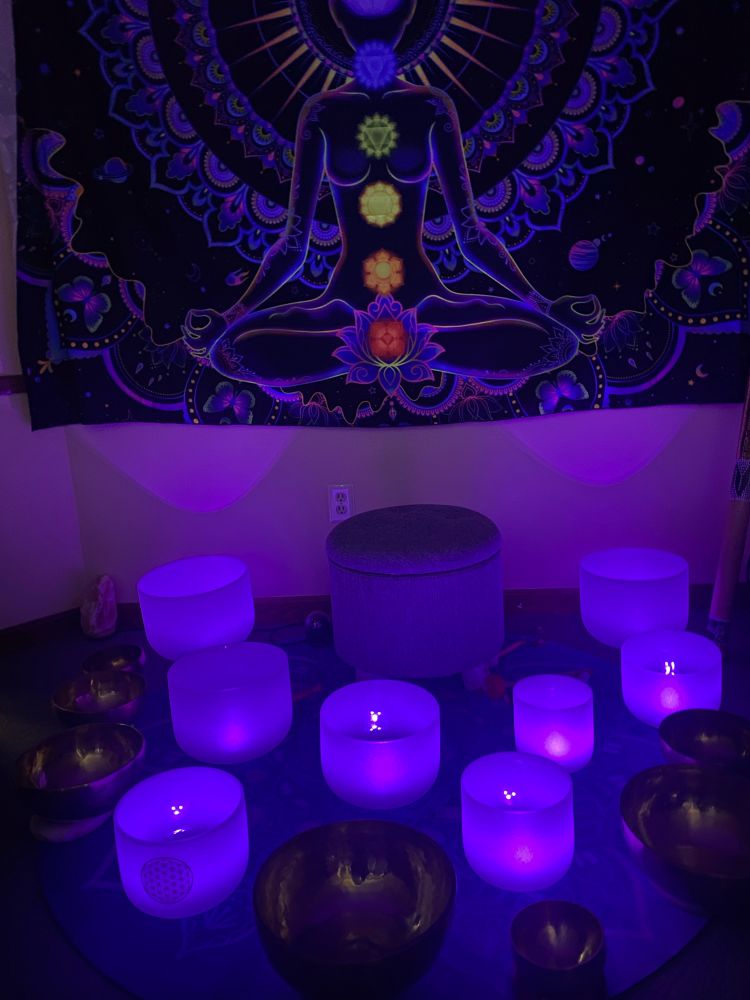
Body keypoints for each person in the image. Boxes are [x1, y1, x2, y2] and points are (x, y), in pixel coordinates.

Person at [183, 0, 602, 388]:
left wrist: (545, 304)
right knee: (231, 350)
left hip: (426, 301)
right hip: (344, 305)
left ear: (410, 13)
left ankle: (376, 345)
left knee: (557, 341)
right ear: (335, 15)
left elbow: (470, 235)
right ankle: (408, 344)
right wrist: (230, 316)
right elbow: (295, 245)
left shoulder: (431, 106)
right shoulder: (322, 111)